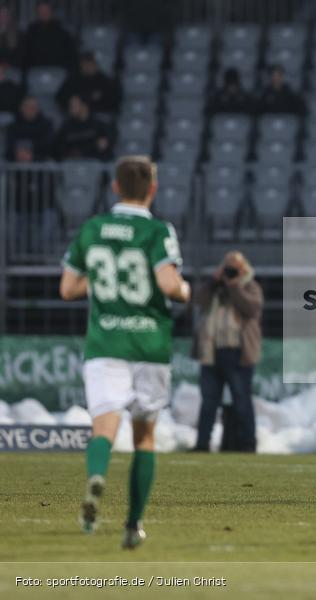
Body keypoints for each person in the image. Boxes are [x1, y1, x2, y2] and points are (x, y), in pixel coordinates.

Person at [59, 155, 191, 548]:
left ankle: (97, 476)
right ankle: (133, 524)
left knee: (104, 425)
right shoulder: (156, 231)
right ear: (152, 189)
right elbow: (168, 283)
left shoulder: (93, 228)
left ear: (115, 187)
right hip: (149, 343)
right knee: (145, 437)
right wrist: (185, 291)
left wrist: (101, 281)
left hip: (106, 342)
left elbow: (67, 288)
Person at [191, 251, 263, 454]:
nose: (230, 272)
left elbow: (251, 309)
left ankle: (248, 444)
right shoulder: (215, 289)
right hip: (211, 351)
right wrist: (213, 282)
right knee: (208, 402)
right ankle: (202, 444)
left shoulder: (250, 286)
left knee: (242, 401)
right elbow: (197, 299)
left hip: (238, 353)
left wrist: (235, 287)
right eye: (227, 267)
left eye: (235, 268)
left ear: (243, 269)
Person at [55, 51, 122, 115]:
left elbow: (114, 101)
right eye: (84, 64)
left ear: (95, 65)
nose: (87, 67)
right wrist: (72, 102)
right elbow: (61, 96)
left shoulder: (105, 81)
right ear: (80, 66)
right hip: (77, 116)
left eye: (90, 64)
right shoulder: (73, 80)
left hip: (99, 116)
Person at [20, 1, 77, 71]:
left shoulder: (62, 31)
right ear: (37, 13)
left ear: (51, 11)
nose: (44, 13)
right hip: (36, 70)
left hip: (58, 69)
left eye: (46, 10)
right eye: (41, 10)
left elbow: (70, 55)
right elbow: (25, 55)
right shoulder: (31, 31)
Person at [54, 94, 113, 160]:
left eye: (73, 106)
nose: (70, 109)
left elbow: (105, 145)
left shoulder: (99, 125)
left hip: (95, 164)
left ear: (84, 106)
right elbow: (59, 149)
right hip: (72, 165)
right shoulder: (66, 127)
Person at [5, 95, 54, 161]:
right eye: (27, 107)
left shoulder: (46, 125)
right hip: (15, 164)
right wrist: (20, 154)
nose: (30, 110)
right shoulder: (12, 127)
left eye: (33, 107)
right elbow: (10, 146)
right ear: (21, 108)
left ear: (38, 109)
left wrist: (32, 155)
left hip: (41, 165)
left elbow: (48, 145)